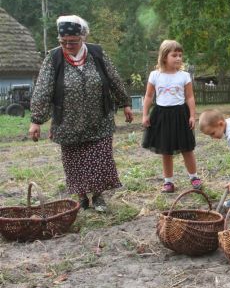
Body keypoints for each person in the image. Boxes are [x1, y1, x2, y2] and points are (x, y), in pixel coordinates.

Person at [29, 15, 133, 212]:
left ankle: (98, 196)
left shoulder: (97, 53)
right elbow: (43, 90)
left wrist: (125, 103)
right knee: (74, 161)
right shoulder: (53, 58)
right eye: (63, 42)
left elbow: (113, 78)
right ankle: (82, 197)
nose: (67, 45)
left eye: (73, 42)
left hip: (99, 118)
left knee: (100, 158)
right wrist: (36, 120)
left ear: (82, 37)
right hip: (68, 122)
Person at [142, 40, 202, 193]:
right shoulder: (155, 75)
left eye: (180, 55)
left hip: (181, 115)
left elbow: (190, 97)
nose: (178, 58)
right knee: (166, 150)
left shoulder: (184, 76)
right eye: (174, 55)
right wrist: (145, 114)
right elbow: (149, 96)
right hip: (161, 116)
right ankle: (168, 182)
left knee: (186, 148)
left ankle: (194, 177)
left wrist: (192, 115)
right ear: (164, 57)